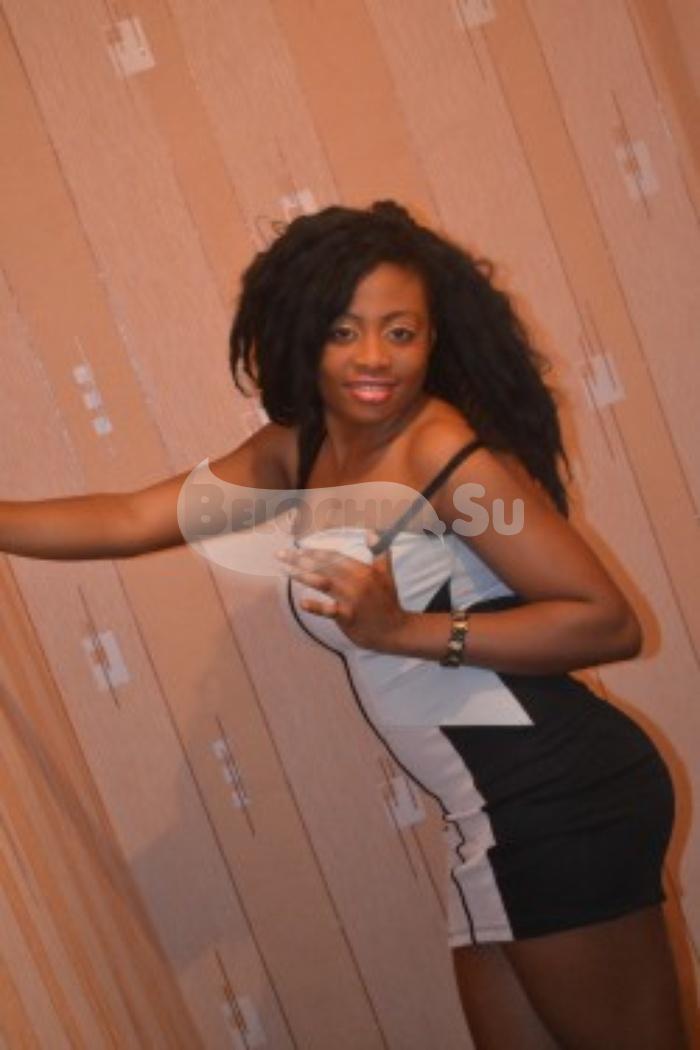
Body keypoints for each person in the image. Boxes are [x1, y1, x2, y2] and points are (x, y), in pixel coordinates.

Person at [0, 200, 690, 1048]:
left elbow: (607, 621)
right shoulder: (300, 450)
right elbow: (131, 517)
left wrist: (406, 631)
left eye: (400, 332)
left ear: (432, 338)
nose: (374, 358)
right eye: (344, 331)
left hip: (561, 799)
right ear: (302, 334)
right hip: (488, 815)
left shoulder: (442, 456)